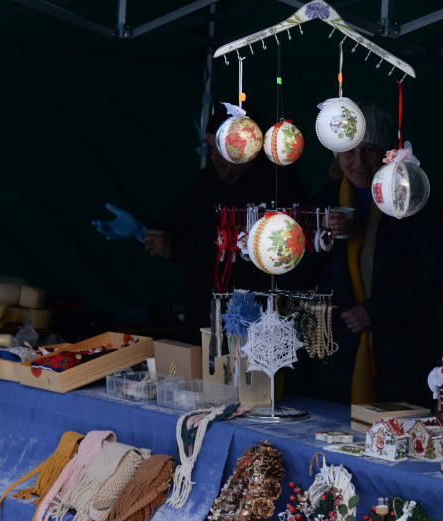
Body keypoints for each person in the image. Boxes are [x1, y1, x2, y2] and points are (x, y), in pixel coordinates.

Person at [92, 103, 307, 344]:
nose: (215, 156)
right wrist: (143, 230)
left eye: (223, 146)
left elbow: (250, 253)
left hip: (256, 316)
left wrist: (177, 248)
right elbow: (178, 228)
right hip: (202, 316)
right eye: (210, 146)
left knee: (246, 377)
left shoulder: (280, 188)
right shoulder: (206, 182)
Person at [285, 105, 443, 406]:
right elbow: (295, 276)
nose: (359, 162)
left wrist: (375, 312)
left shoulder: (414, 200)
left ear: (386, 154)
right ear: (337, 154)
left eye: (370, 150)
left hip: (402, 353)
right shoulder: (323, 203)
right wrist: (320, 239)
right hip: (335, 358)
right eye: (349, 151)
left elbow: (438, 276)